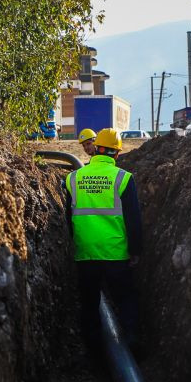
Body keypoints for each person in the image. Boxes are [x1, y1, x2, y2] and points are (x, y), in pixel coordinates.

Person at [64, 128, 142, 355]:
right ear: (117, 154)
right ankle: (131, 339)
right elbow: (133, 219)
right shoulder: (123, 178)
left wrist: (75, 244)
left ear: (95, 149)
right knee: (126, 297)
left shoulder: (73, 178)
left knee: (89, 302)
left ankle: (93, 349)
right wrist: (135, 250)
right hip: (116, 253)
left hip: (85, 252)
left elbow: (69, 217)